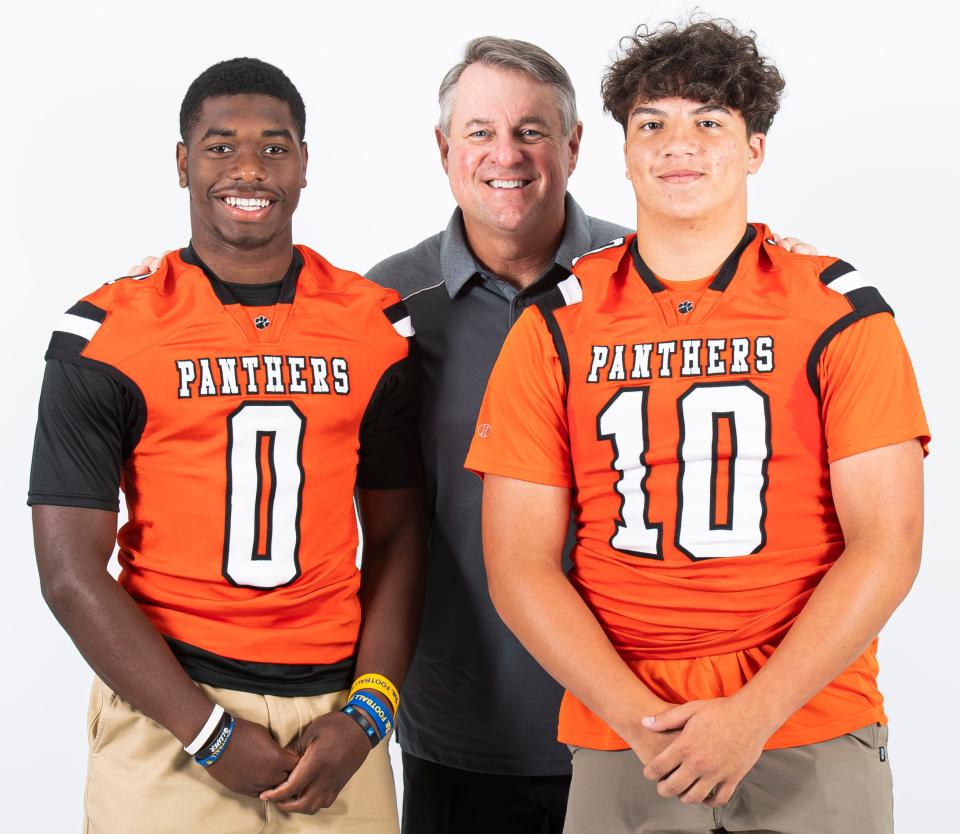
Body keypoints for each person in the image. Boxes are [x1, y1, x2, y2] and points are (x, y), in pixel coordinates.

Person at [466, 18, 929, 834]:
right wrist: (643, 725)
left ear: (754, 147)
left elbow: (887, 541)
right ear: (623, 148)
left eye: (708, 120)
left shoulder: (835, 310)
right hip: (625, 729)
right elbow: (517, 565)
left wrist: (752, 716)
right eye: (653, 123)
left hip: (809, 718)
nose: (678, 144)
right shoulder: (556, 326)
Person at [366, 36, 813, 834]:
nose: (507, 155)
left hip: (653, 723)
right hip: (466, 724)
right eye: (479, 132)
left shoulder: (649, 270)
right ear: (443, 150)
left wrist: (791, 257)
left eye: (533, 131)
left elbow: (757, 307)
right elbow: (275, 352)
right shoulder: (387, 303)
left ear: (574, 147)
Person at [29, 57, 425, 834]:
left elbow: (400, 534)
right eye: (220, 146)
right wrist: (206, 733)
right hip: (171, 711)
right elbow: (68, 573)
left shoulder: (374, 326)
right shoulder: (108, 332)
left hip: (336, 717)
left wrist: (371, 713)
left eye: (275, 147)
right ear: (183, 163)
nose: (249, 167)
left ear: (306, 164)